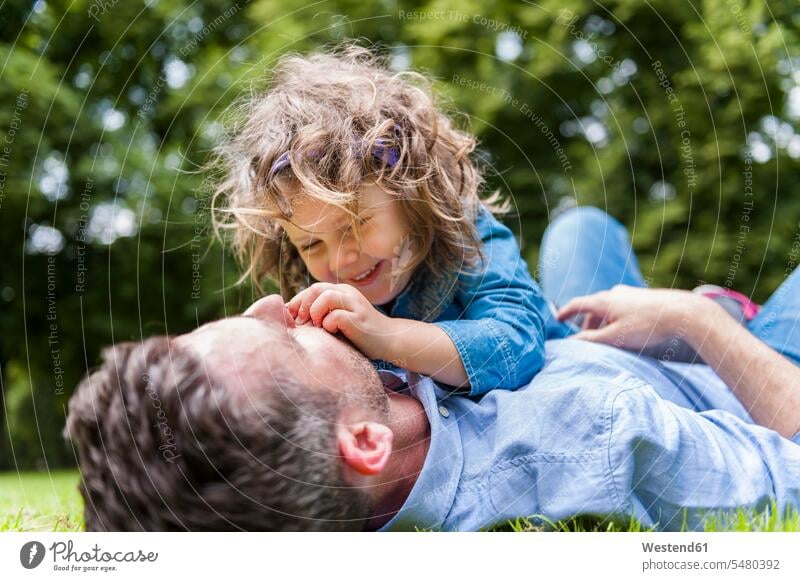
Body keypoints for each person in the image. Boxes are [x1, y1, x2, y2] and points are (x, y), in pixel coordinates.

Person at [64, 209, 800, 531]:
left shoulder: (358, 426)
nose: (270, 299)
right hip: (732, 377)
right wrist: (687, 321)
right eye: (285, 340)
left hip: (588, 340)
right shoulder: (589, 438)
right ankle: (734, 313)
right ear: (362, 443)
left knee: (581, 230)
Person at [211, 46, 569, 395]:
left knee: (577, 232)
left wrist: (387, 336)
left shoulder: (466, 232)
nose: (341, 260)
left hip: (565, 366)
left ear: (410, 193)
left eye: (355, 224)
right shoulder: (318, 291)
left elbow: (518, 346)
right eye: (311, 244)